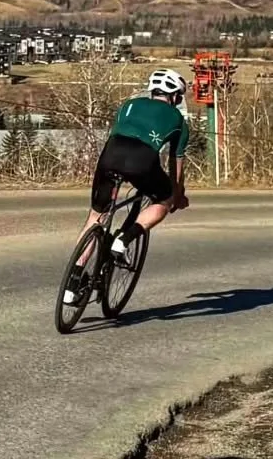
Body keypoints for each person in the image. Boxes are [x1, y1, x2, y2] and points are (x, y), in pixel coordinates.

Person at [69, 69, 191, 299]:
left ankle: (74, 280)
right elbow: (177, 161)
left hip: (110, 155)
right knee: (164, 200)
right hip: (142, 161)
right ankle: (123, 239)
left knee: (96, 217)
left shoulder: (129, 104)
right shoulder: (178, 121)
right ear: (174, 97)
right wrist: (177, 193)